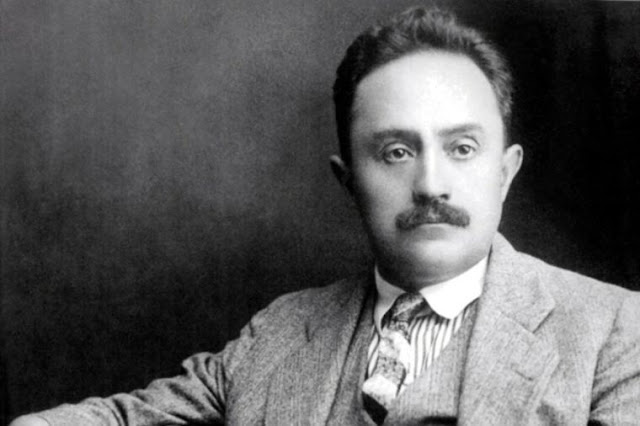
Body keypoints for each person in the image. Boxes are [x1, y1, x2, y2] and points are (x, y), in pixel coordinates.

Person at [11, 5, 640, 426]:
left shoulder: (614, 331)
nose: (430, 184)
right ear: (349, 181)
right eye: (396, 152)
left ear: (504, 172)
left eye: (461, 148)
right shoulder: (278, 335)